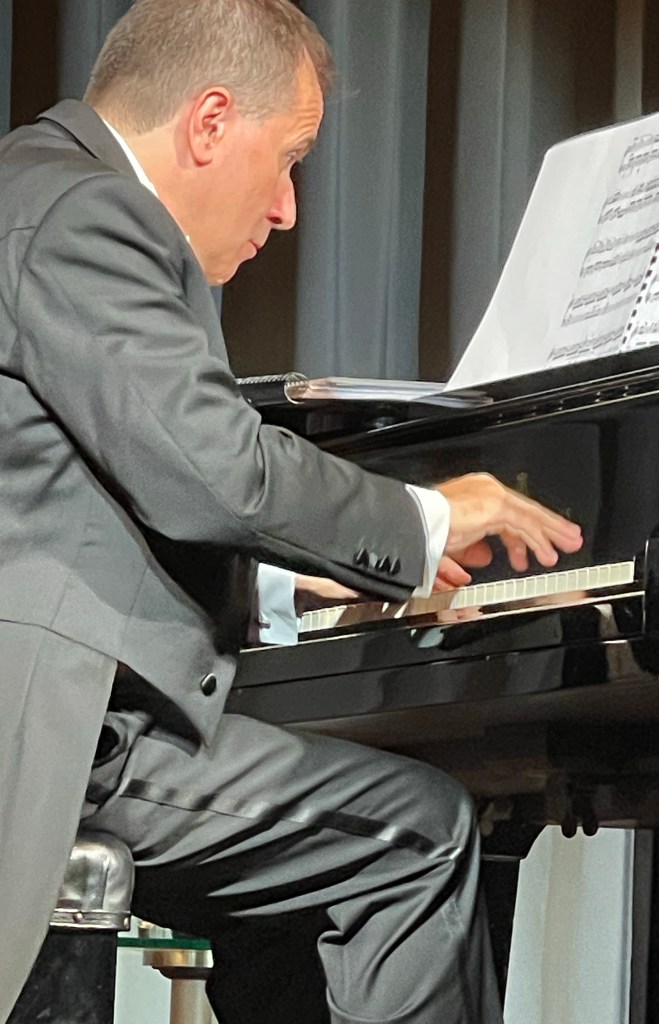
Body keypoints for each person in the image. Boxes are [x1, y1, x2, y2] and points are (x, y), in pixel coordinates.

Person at [0, 1, 583, 1021]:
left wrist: (279, 575)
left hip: (63, 711)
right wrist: (424, 522)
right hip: (50, 733)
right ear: (210, 122)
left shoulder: (33, 187)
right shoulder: (87, 213)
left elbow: (70, 498)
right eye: (290, 159)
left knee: (303, 877)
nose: (287, 209)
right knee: (418, 833)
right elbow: (214, 472)